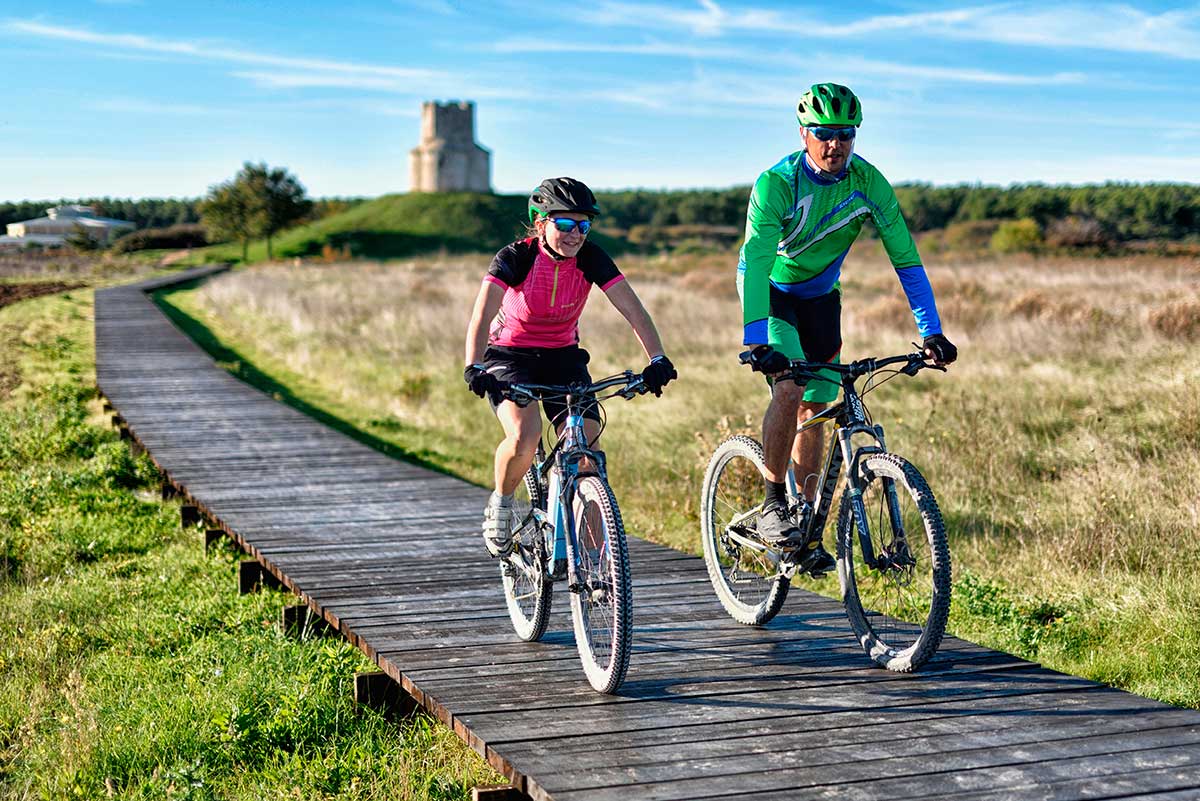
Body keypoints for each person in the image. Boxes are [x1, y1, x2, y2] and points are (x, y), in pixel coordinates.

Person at [737, 82, 958, 574]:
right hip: (771, 293)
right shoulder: (777, 184)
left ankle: (805, 523)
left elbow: (906, 258)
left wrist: (932, 331)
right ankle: (774, 503)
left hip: (820, 300)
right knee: (790, 389)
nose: (834, 144)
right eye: (823, 133)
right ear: (804, 134)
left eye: (845, 134)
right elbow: (754, 261)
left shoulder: (868, 182)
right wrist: (756, 340)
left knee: (821, 404)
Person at [464, 177, 676, 557]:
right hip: (510, 356)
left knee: (586, 450)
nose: (575, 234)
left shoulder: (592, 257)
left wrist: (656, 358)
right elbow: (482, 314)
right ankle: (501, 503)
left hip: (564, 357)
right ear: (541, 223)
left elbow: (634, 311)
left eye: (583, 225)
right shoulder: (516, 257)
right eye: (564, 224)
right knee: (524, 437)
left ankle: (596, 561)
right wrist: (474, 365)